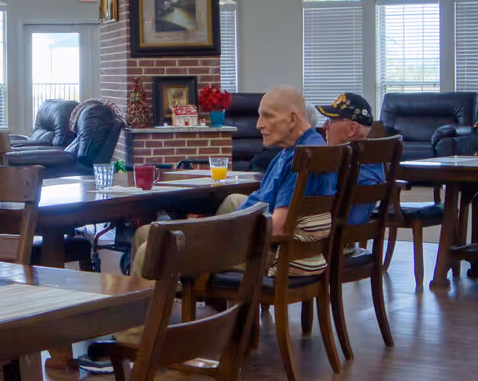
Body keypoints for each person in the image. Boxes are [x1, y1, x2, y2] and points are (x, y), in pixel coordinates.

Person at [127, 85, 334, 276]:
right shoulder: (303, 148)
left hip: (265, 253)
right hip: (255, 241)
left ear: (292, 118)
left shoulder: (302, 157)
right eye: (259, 116)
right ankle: (167, 307)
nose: (259, 124)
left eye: (267, 116)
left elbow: (278, 228)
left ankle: (146, 315)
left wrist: (214, 233)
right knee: (146, 233)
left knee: (153, 249)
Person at [314, 92, 388, 225]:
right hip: (351, 234)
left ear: (352, 129)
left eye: (331, 121)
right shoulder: (374, 162)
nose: (324, 126)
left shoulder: (335, 167)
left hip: (326, 237)